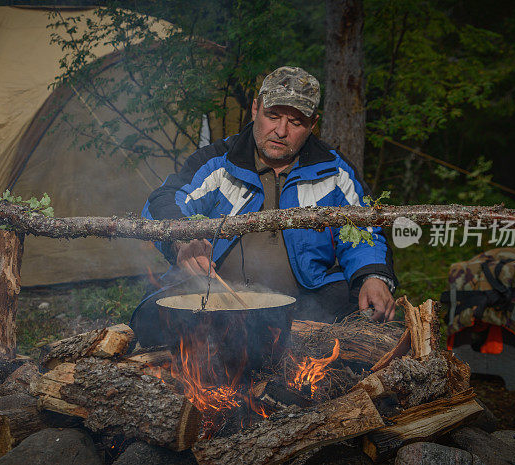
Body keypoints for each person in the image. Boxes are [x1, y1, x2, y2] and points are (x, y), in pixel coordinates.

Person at [131, 66, 397, 346]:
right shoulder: (220, 162)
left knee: (362, 314)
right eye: (273, 116)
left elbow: (364, 235)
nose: (281, 131)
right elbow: (165, 199)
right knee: (151, 320)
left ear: (312, 124)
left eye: (296, 122)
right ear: (256, 109)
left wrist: (373, 276)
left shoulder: (333, 172)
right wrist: (183, 240)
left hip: (305, 304)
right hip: (214, 297)